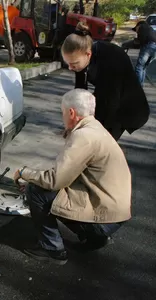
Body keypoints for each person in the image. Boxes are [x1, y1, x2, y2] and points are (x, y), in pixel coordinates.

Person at [13, 89, 132, 265]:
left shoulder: (84, 136)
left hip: (104, 218)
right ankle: (96, 238)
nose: (62, 116)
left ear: (71, 112)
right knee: (46, 188)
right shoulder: (95, 128)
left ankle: (52, 250)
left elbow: (55, 180)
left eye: (62, 112)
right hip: (115, 211)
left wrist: (24, 173)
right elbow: (70, 174)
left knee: (36, 190)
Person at [61, 22, 150, 141]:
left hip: (127, 107)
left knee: (102, 145)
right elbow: (80, 92)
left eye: (74, 64)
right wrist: (73, 123)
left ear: (88, 54)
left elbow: (109, 104)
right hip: (108, 97)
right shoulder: (81, 55)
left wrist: (96, 133)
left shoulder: (110, 60)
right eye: (68, 64)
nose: (70, 68)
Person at [133, 20, 156, 86]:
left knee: (139, 67)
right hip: (154, 48)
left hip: (149, 46)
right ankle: (141, 85)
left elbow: (141, 41)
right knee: (143, 67)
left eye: (136, 28)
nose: (136, 31)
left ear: (138, 25)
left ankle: (138, 86)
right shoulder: (150, 29)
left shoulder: (142, 27)